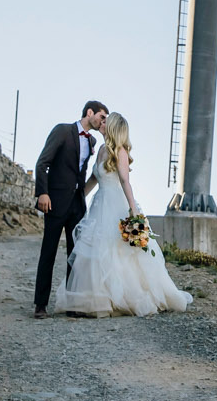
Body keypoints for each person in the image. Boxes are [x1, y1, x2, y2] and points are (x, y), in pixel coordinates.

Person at [48, 112, 191, 318]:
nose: (102, 123)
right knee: (95, 250)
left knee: (117, 250)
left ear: (114, 127)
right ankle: (93, 299)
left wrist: (133, 210)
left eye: (107, 121)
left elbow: (125, 181)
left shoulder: (120, 151)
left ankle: (121, 298)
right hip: (99, 203)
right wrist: (76, 197)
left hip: (116, 203)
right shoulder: (102, 150)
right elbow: (93, 179)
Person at [31, 101, 107, 318]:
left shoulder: (92, 140)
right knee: (49, 252)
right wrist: (42, 193)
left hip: (76, 204)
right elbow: (42, 163)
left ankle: (73, 303)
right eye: (102, 117)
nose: (103, 122)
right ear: (89, 112)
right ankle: (40, 305)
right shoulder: (63, 130)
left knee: (76, 255)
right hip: (54, 201)